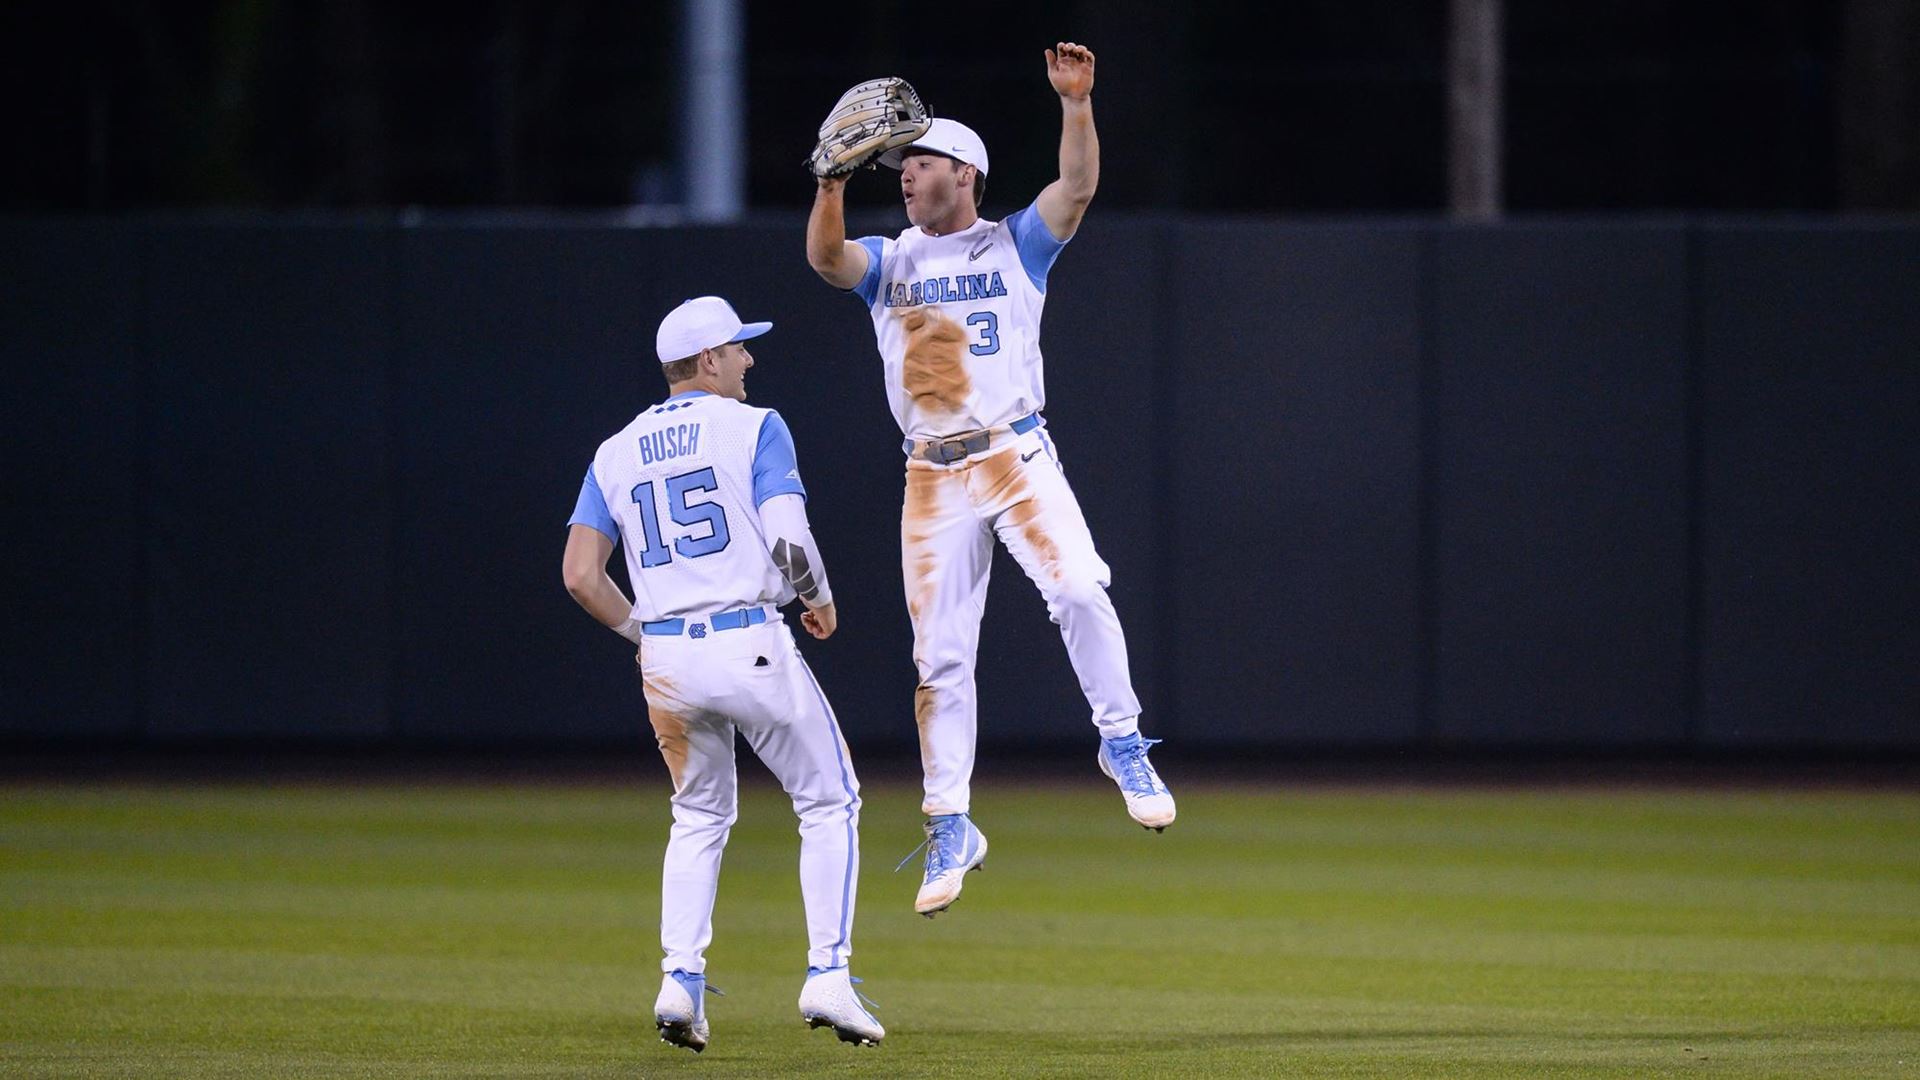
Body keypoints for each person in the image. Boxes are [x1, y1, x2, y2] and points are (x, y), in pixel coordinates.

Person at [804, 42, 1175, 920]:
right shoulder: (890, 261)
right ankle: (951, 823)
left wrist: (1075, 105)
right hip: (930, 477)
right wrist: (827, 181)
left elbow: (1076, 188)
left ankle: (1122, 740)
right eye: (900, 164)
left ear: (964, 173)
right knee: (939, 661)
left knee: (1080, 588)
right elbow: (825, 262)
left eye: (921, 161)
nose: (903, 174)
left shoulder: (1014, 245)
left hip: (1013, 453)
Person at [562, 296, 883, 1050]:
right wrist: (821, 599)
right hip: (749, 640)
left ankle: (680, 980)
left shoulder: (615, 451)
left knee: (699, 815)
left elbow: (580, 574)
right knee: (829, 799)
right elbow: (789, 537)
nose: (748, 359)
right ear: (708, 359)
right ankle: (828, 974)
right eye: (738, 347)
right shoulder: (755, 425)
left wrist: (646, 633)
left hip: (668, 657)